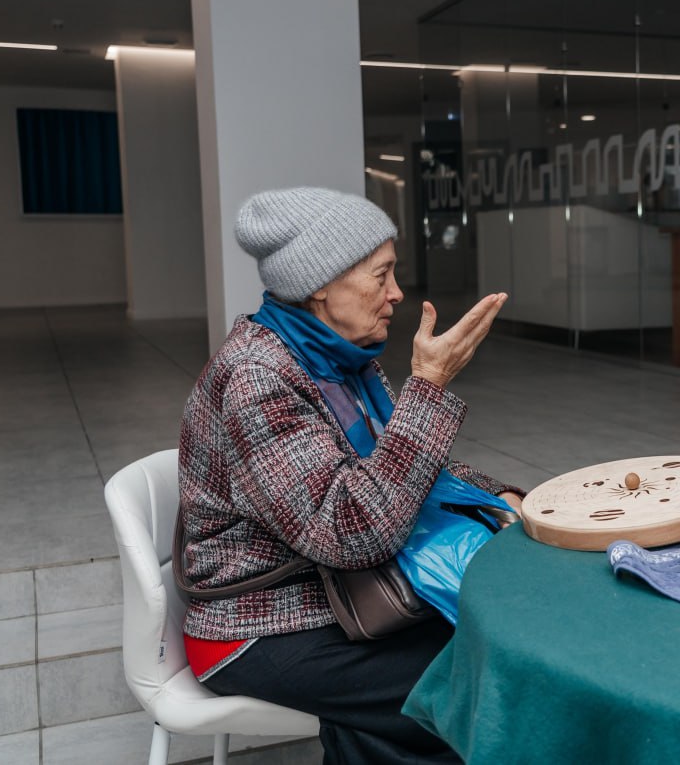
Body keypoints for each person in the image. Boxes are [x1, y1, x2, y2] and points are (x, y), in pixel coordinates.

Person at [178, 186, 522, 764]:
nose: (396, 294)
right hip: (259, 622)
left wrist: (497, 497)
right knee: (473, 688)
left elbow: (401, 468)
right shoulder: (256, 377)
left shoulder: (341, 359)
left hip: (339, 594)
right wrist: (428, 389)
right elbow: (354, 533)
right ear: (320, 283)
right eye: (381, 274)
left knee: (450, 683)